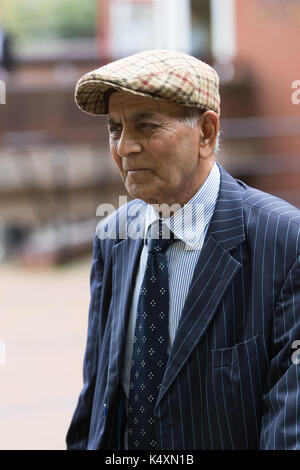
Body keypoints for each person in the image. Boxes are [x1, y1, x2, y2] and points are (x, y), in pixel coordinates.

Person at [66, 49, 300, 450]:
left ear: (206, 133)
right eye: (114, 128)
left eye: (145, 126)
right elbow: (95, 405)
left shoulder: (283, 241)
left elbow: (288, 426)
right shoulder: (113, 237)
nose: (124, 147)